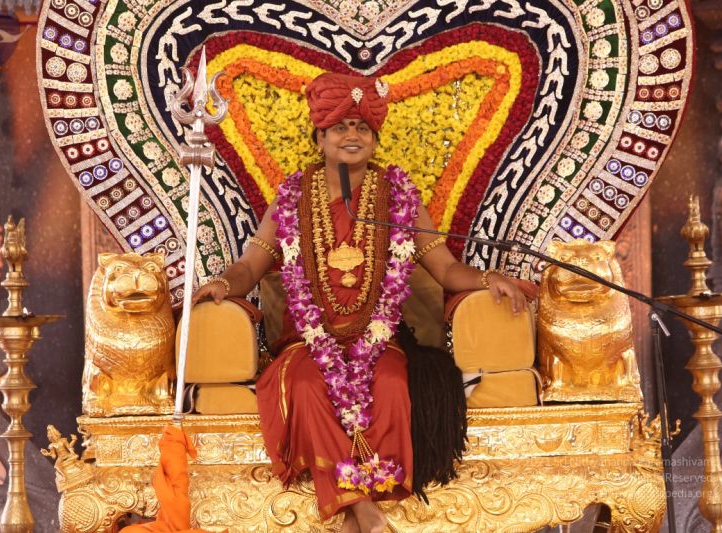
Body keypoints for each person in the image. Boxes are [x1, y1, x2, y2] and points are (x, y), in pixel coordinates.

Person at [191, 73, 530, 533]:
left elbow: (447, 270)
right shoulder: (292, 197)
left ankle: (354, 514)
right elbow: (251, 266)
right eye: (340, 127)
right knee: (307, 386)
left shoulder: (399, 196)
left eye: (362, 128)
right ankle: (365, 510)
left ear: (374, 139)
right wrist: (222, 283)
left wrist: (488, 278)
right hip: (307, 342)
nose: (352, 135)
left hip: (377, 338)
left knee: (390, 383)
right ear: (320, 138)